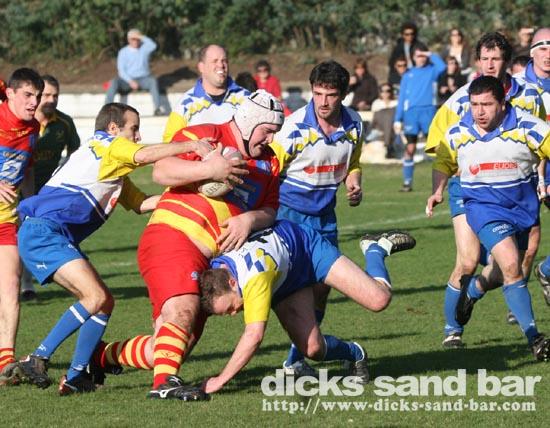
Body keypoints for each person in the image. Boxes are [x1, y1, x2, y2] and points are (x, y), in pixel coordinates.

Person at [89, 91, 284, 401]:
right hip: (174, 237)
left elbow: (270, 211)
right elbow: (161, 171)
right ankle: (164, 384)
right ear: (249, 121)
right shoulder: (206, 134)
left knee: (174, 343)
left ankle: (100, 356)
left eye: (275, 132)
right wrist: (211, 170)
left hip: (212, 259)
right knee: (182, 312)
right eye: (268, 130)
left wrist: (248, 220)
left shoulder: (270, 162)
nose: (271, 138)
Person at [13, 102, 215, 394]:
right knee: (94, 297)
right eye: (134, 128)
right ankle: (37, 357)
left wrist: (194, 193)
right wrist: (191, 145)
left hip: (51, 234)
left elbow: (142, 203)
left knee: (104, 301)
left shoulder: (111, 165)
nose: (138, 135)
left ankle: (76, 376)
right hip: (43, 232)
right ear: (113, 128)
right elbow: (143, 155)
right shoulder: (108, 145)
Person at [425, 32, 546, 349]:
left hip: (518, 188)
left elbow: (540, 140)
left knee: (518, 259)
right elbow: (440, 146)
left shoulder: (530, 95)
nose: (490, 65)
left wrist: (541, 178)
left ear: (507, 61)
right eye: (484, 59)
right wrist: (441, 186)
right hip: (471, 188)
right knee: (467, 260)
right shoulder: (461, 98)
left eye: (496, 59)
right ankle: (453, 329)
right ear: (477, 61)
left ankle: (477, 290)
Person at [199, 221, 416, 394]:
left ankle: (375, 249)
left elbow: (253, 336)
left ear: (232, 282)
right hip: (284, 281)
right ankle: (355, 353)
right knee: (313, 349)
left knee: (379, 299)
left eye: (230, 308)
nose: (233, 313)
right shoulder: (214, 268)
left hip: (306, 247)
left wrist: (220, 379)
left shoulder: (254, 279)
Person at [269, 60, 364, 376]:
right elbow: (268, 174)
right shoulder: (292, 129)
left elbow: (353, 162)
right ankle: (297, 354)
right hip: (288, 217)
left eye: (331, 95)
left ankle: (297, 358)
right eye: (318, 93)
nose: (323, 102)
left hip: (324, 217)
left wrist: (353, 181)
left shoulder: (354, 125)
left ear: (343, 95)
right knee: (290, 291)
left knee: (323, 288)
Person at [20, 75, 81, 302]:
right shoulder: (21, 122)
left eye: (55, 95)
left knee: (36, 236)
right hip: (15, 190)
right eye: (46, 95)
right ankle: (22, 284)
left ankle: (28, 285)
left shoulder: (64, 123)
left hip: (46, 194)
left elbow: (76, 153)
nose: (51, 100)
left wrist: (64, 173)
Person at [0, 68, 43, 387]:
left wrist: (32, 206)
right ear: (10, 93)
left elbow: (26, 171)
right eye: (27, 95)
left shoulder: (33, 128)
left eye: (37, 96)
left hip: (6, 220)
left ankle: (6, 361)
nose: (34, 102)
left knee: (11, 287)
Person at [516, 27, 550, 303]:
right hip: (523, 171)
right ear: (532, 52)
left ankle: (546, 270)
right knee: (527, 245)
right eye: (543, 48)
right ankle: (517, 299)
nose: (548, 54)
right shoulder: (517, 86)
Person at [163, 44, 249, 142]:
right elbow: (170, 143)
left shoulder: (247, 99)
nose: (221, 65)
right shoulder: (185, 105)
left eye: (224, 60)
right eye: (215, 61)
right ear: (201, 67)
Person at [394, 46, 446, 192]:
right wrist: (397, 118)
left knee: (436, 148)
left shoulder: (432, 71)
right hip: (411, 114)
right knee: (410, 148)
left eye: (423, 56)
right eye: (418, 56)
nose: (421, 58)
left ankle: (443, 180)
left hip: (428, 112)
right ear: (413, 58)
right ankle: (407, 183)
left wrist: (429, 53)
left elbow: (443, 66)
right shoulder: (408, 74)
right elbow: (402, 98)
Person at [105, 29, 166, 116]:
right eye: (133, 39)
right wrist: (130, 81)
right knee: (113, 82)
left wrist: (140, 36)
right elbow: (121, 71)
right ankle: (106, 110)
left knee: (153, 81)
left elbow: (153, 45)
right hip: (127, 80)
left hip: (143, 79)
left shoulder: (144, 49)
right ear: (128, 40)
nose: (135, 41)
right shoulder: (123, 52)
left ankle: (157, 109)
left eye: (137, 39)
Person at [369, 83, 398, 158]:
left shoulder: (396, 103)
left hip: (394, 127)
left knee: (389, 117)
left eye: (388, 91)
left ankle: (388, 146)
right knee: (387, 116)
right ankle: (389, 147)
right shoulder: (377, 103)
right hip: (379, 127)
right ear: (380, 92)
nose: (385, 93)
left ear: (391, 92)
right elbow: (374, 120)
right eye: (382, 91)